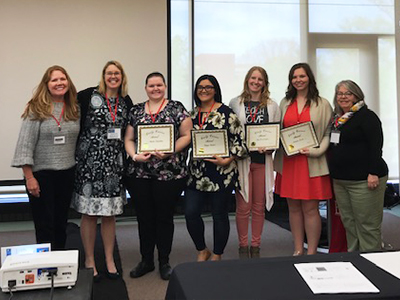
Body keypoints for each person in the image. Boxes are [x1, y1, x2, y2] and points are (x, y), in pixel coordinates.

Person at [124, 72, 192, 280]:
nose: (155, 89)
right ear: (145, 88)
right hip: (140, 174)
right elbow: (128, 138)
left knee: (164, 217)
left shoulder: (176, 108)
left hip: (169, 174)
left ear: (165, 86)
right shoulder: (135, 110)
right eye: (151, 86)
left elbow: (187, 135)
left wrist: (171, 149)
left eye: (159, 85)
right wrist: (135, 155)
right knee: (144, 218)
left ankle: (164, 260)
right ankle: (146, 260)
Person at [71, 60, 133, 280]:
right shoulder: (88, 95)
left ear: (122, 76)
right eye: (109, 73)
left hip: (114, 166)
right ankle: (89, 259)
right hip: (89, 164)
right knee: (89, 214)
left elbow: (129, 132)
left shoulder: (125, 101)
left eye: (117, 73)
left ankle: (108, 259)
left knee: (109, 215)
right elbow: (67, 111)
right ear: (103, 75)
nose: (113, 76)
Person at [12, 65, 80, 250]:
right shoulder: (36, 108)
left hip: (66, 173)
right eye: (54, 80)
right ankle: (46, 265)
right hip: (41, 175)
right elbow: (25, 145)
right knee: (45, 225)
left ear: (68, 82)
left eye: (62, 79)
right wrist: (29, 177)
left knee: (61, 222)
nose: (59, 83)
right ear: (47, 84)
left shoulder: (74, 108)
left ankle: (59, 262)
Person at [185, 74, 247, 262]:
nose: (204, 90)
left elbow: (241, 144)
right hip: (196, 173)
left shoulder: (227, 113)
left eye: (208, 87)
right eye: (200, 87)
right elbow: (184, 140)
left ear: (215, 90)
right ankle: (202, 249)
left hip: (222, 174)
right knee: (190, 213)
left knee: (219, 215)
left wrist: (228, 159)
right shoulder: (191, 114)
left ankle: (217, 253)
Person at [274, 63, 332, 255]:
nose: (298, 80)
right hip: (290, 162)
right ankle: (298, 249)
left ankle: (312, 251)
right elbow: (278, 131)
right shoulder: (284, 102)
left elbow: (328, 134)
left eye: (302, 76)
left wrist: (316, 151)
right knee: (294, 209)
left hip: (311, 162)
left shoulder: (322, 104)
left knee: (310, 209)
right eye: (294, 77)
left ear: (310, 78)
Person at [328, 80, 388, 252]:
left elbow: (376, 147)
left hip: (365, 181)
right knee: (349, 223)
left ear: (357, 96)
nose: (343, 97)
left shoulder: (367, 117)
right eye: (340, 93)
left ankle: (372, 264)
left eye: (348, 93)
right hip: (341, 181)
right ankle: (354, 261)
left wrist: (373, 172)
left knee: (367, 225)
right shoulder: (338, 120)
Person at [229, 66, 280, 259]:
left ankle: (255, 246)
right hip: (242, 161)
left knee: (258, 206)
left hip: (262, 161)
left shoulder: (273, 106)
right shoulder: (236, 103)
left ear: (265, 82)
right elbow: (231, 131)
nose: (256, 82)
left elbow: (275, 133)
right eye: (253, 78)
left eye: (260, 79)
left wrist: (270, 148)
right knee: (243, 206)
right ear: (247, 80)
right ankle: (243, 247)